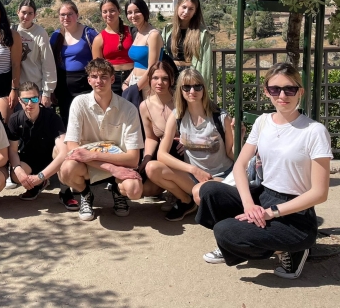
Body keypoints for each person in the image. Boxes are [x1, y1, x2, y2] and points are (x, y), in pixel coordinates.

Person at [196, 63, 332, 279]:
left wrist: (271, 212)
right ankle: (242, 241)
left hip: (296, 213)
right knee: (210, 191)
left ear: (300, 92)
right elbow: (240, 165)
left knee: (225, 231)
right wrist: (249, 206)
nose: (282, 95)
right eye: (275, 89)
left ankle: (291, 249)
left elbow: (320, 193)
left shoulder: (314, 131)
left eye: (289, 89)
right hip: (264, 195)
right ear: (266, 91)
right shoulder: (263, 122)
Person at [58, 58, 144, 221]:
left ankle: (118, 192)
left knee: (134, 190)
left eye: (104, 76)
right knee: (67, 170)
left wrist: (93, 155)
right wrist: (110, 168)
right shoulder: (79, 103)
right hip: (90, 164)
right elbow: (73, 149)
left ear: (112, 79)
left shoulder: (129, 109)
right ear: (89, 80)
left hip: (117, 162)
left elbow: (133, 159)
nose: (99, 81)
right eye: (94, 76)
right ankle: (85, 194)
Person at [145, 69, 233, 221]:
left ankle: (210, 203)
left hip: (219, 176)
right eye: (187, 87)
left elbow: (232, 153)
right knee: (152, 168)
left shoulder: (221, 117)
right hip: (193, 176)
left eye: (197, 86)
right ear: (181, 90)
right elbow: (161, 154)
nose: (192, 91)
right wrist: (193, 170)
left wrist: (239, 136)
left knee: (201, 191)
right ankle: (186, 201)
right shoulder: (177, 116)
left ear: (204, 89)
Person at [7, 82, 70, 204]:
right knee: (15, 175)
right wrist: (18, 170)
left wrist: (40, 176)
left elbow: (63, 151)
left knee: (62, 154)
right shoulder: (15, 119)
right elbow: (13, 150)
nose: (30, 103)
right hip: (29, 160)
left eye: (34, 99)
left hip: (50, 159)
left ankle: (65, 192)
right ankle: (37, 185)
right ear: (19, 100)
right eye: (25, 100)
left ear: (40, 98)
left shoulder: (53, 118)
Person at [137, 61, 180, 207]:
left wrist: (187, 141)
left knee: (173, 146)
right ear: (149, 80)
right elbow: (151, 137)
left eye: (165, 78)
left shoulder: (182, 100)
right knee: (143, 189)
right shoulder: (145, 106)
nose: (159, 82)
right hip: (163, 152)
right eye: (155, 78)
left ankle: (178, 195)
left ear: (172, 80)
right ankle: (168, 188)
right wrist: (146, 158)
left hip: (184, 152)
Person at [49, 0, 98, 126]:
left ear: (77, 15)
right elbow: (51, 62)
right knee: (67, 120)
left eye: (70, 14)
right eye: (62, 14)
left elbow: (99, 60)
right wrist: (52, 90)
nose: (66, 17)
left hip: (85, 84)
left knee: (86, 120)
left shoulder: (89, 34)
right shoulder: (56, 36)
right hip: (63, 86)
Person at [161, 0, 212, 87]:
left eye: (191, 9)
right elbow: (161, 54)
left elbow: (206, 64)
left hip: (190, 77)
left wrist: (202, 86)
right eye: (184, 7)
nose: (186, 11)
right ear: (178, 7)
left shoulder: (202, 33)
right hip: (169, 75)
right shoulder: (168, 29)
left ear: (195, 12)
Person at [13, 0, 57, 108]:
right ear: (17, 12)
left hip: (36, 89)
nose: (26, 16)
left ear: (35, 15)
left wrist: (47, 92)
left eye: (30, 13)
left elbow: (48, 63)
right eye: (23, 12)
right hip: (17, 89)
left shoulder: (40, 33)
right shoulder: (12, 31)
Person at [91, 0, 134, 96]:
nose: (108, 14)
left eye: (112, 11)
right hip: (111, 81)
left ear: (119, 11)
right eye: (105, 12)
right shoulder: (99, 39)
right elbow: (98, 68)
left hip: (133, 77)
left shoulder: (132, 32)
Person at [122, 0, 163, 97]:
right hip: (134, 83)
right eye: (129, 13)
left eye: (137, 11)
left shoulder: (153, 35)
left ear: (144, 12)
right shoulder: (137, 33)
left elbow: (152, 68)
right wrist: (126, 82)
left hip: (148, 85)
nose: (133, 16)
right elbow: (138, 65)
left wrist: (135, 90)